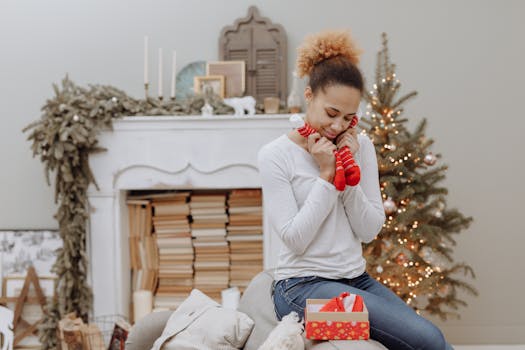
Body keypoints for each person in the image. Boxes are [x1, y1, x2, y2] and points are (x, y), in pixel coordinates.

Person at [257, 30, 453, 350]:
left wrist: (347, 174)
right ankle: (307, 329)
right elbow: (295, 238)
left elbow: (369, 230)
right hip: (299, 288)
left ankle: (320, 330)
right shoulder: (275, 155)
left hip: (355, 280)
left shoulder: (359, 146)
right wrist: (327, 175)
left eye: (349, 118)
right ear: (309, 96)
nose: (337, 126)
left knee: (432, 339)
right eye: (331, 113)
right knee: (427, 341)